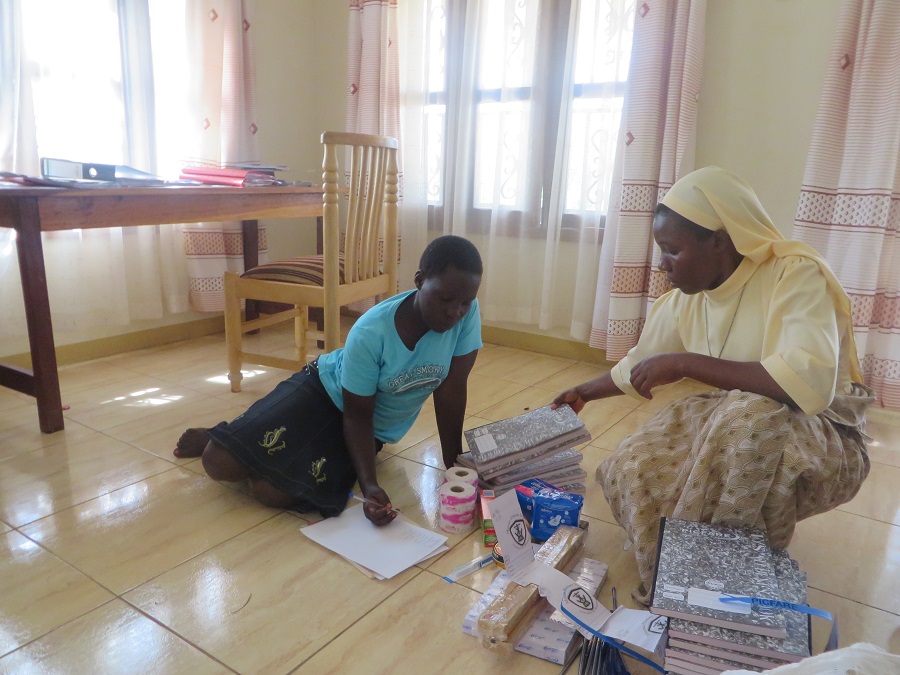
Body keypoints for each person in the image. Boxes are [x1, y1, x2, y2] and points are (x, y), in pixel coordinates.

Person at [553, 166, 874, 604]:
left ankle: (723, 581)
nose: (662, 265)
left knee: (749, 418)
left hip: (822, 432)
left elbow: (807, 385)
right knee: (630, 464)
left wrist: (687, 362)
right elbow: (641, 364)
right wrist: (584, 392)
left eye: (672, 250)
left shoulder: (795, 274)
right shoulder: (685, 300)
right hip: (735, 421)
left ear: (719, 241)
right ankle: (675, 581)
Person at [174, 235, 483, 526]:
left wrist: (453, 462)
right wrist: (370, 484)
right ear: (419, 281)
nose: (455, 311)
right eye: (445, 298)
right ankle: (225, 435)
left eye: (465, 302)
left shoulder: (466, 314)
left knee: (271, 492)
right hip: (323, 390)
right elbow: (356, 413)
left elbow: (452, 389)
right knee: (218, 461)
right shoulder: (371, 332)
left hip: (369, 426)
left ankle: (247, 437)